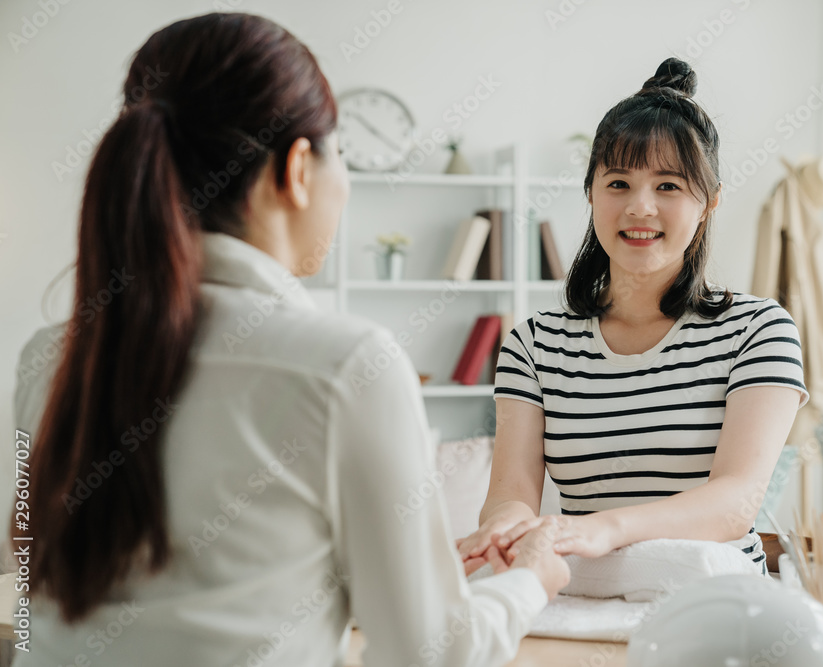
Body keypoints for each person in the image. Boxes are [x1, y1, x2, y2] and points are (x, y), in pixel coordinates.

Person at [9, 13, 568, 667]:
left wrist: (405, 564)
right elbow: (431, 655)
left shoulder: (47, 358)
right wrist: (530, 580)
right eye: (344, 157)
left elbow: (52, 598)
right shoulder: (347, 365)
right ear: (298, 167)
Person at [457, 58, 809, 577]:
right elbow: (511, 493)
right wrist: (504, 527)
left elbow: (735, 504)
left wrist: (603, 528)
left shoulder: (759, 331)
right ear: (591, 193)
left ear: (708, 202)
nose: (639, 207)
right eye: (618, 182)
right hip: (581, 595)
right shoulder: (533, 345)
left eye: (668, 186)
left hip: (714, 606)